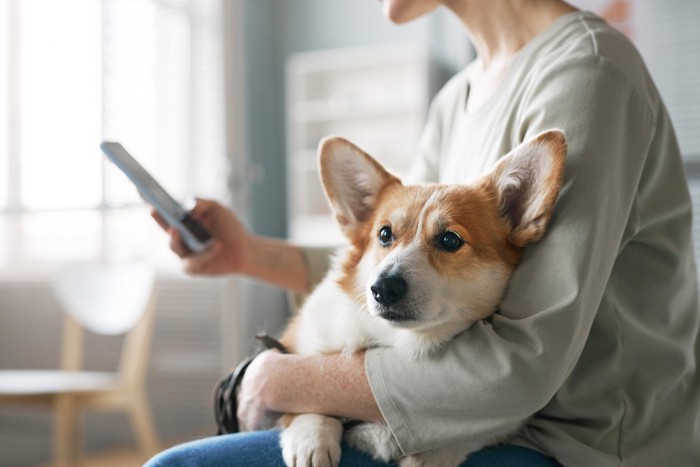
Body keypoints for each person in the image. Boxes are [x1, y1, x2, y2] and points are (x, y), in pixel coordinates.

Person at [145, 0, 700, 465]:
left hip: (573, 444)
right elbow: (388, 263)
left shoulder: (589, 73)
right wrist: (247, 252)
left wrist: (283, 380)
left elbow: (522, 367)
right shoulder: (457, 97)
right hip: (454, 417)